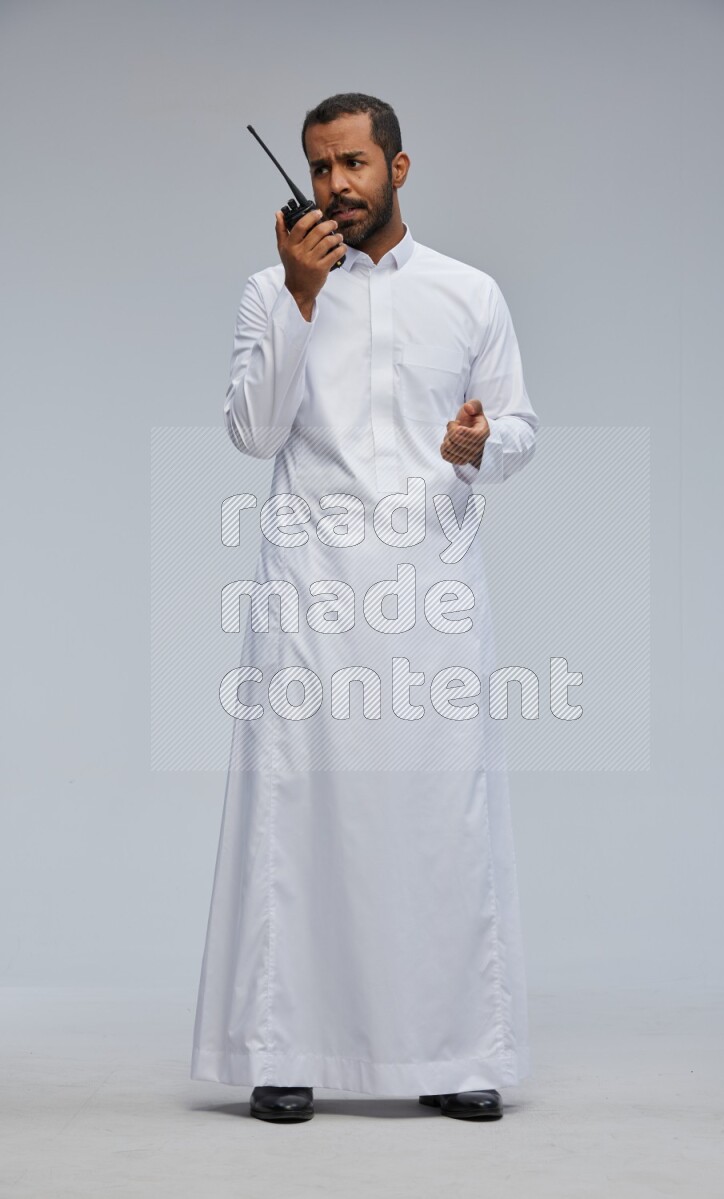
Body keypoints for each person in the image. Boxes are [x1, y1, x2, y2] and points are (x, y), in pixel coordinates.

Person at [191, 93, 540, 1123]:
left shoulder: (468, 293)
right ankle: (283, 1048)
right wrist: (302, 300)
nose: (333, 185)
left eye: (352, 163)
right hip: (309, 593)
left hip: (430, 589)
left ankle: (452, 1051)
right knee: (297, 820)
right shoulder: (270, 289)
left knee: (440, 819)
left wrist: (483, 444)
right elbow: (253, 434)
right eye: (317, 166)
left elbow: (519, 427)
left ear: (397, 166)